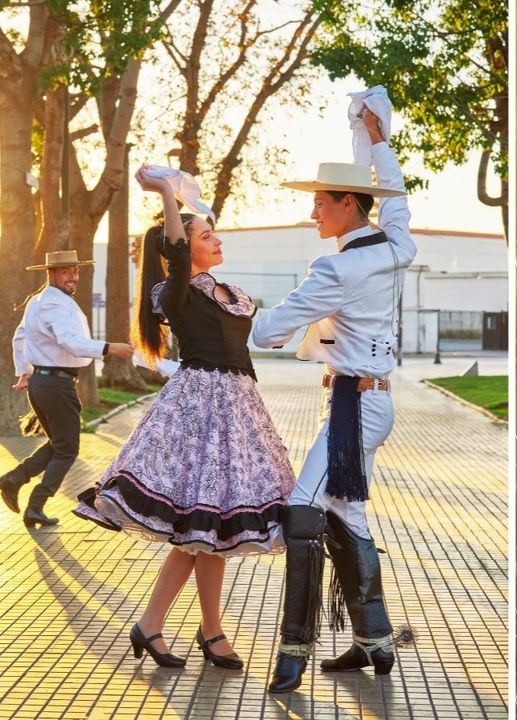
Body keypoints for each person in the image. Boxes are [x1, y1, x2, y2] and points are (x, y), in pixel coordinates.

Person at [74, 165, 297, 669]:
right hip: (198, 412)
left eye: (213, 233)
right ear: (182, 246)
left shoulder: (227, 290)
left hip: (239, 411)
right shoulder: (175, 292)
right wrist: (168, 196)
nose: (215, 240)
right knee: (200, 531)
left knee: (208, 535)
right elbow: (175, 254)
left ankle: (180, 628)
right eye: (206, 235)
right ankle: (183, 628)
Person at [251, 108, 416, 693]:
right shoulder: (396, 242)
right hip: (366, 403)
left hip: (356, 412)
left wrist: (232, 305)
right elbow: (393, 196)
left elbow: (267, 332)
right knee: (348, 513)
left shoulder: (337, 266)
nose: (313, 209)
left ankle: (293, 650)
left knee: (303, 509)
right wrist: (375, 141)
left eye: (321, 200)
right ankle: (373, 641)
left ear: (349, 203)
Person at [2, 251, 134, 529]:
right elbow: (69, 340)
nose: (73, 276)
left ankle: (15, 481)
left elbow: (20, 337)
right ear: (51, 273)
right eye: (66, 272)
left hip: (44, 380)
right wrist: (109, 348)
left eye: (75, 271)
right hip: (55, 383)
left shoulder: (39, 301)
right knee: (67, 450)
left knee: (59, 444)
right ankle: (34, 503)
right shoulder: (54, 305)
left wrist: (24, 372)